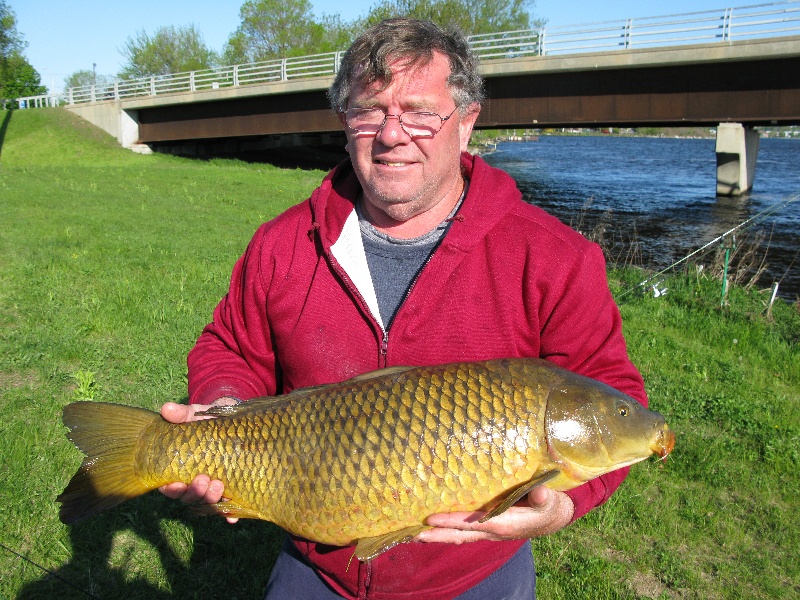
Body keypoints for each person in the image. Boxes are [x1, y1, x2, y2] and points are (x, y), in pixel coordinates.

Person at [159, 18, 648, 600]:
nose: (393, 135)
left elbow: (612, 395)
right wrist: (221, 411)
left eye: (420, 112)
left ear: (466, 124)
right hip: (319, 566)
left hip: (475, 574)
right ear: (346, 125)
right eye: (370, 112)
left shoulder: (556, 258)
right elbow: (231, 346)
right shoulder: (283, 245)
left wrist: (563, 506)